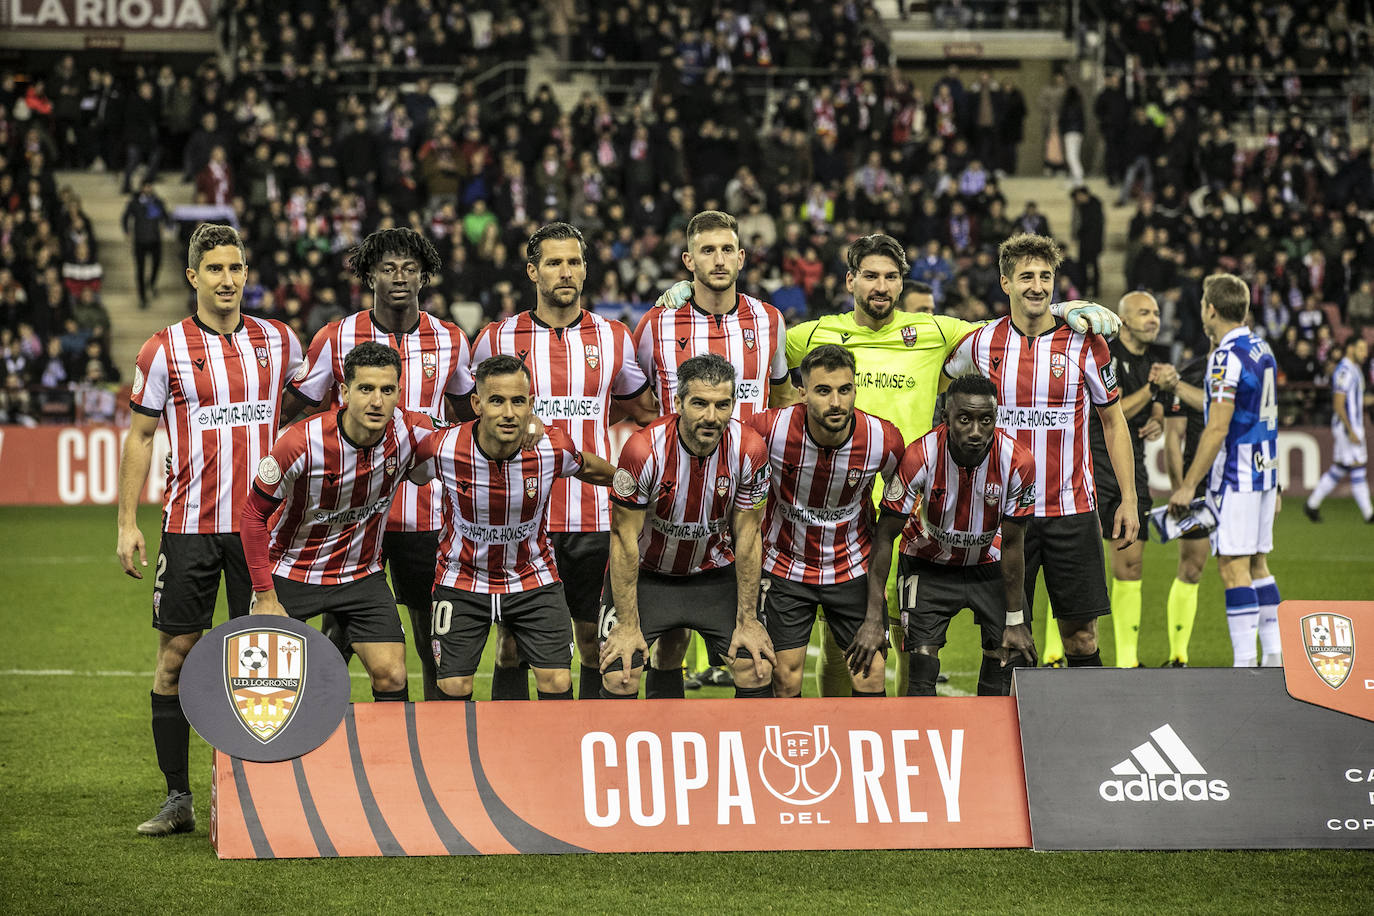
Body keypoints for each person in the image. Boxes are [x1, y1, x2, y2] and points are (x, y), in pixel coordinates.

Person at [785, 233, 1122, 692]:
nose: (880, 286)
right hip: (843, 508)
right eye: (870, 276)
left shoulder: (937, 332)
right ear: (851, 281)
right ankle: (848, 738)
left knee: (908, 637)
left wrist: (1066, 309)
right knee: (846, 639)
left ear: (902, 284)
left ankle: (910, 733)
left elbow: (1021, 319)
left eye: (890, 277)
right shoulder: (810, 335)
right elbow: (759, 358)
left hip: (917, 508)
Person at [116, 223, 302, 836]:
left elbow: (317, 414)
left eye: (236, 268)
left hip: (262, 531)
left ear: (246, 273)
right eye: (215, 269)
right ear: (193, 276)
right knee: (175, 656)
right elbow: (141, 437)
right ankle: (178, 799)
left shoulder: (278, 342)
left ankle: (261, 797)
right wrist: (128, 523)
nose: (227, 280)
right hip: (189, 528)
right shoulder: (162, 349)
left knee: (262, 665)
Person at [281, 228, 473, 701]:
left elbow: (469, 421)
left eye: (410, 268)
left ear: (425, 276)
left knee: (433, 641)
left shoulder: (450, 339)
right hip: (350, 517)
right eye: (388, 268)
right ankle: (313, 735)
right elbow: (297, 408)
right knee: (335, 641)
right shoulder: (336, 336)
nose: (399, 278)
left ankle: (434, 743)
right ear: (369, 275)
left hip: (424, 516)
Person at [472, 222, 658, 700]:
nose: (566, 272)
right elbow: (470, 417)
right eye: (554, 262)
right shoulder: (498, 337)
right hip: (519, 520)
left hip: (593, 517)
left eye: (574, 261)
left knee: (595, 644)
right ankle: (507, 750)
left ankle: (586, 754)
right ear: (533, 271)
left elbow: (643, 407)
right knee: (512, 645)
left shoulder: (613, 337)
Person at [945, 233, 1140, 668]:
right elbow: (944, 389)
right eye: (1026, 276)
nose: (1037, 285)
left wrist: (1127, 499)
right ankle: (1010, 735)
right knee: (1005, 640)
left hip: (1072, 512)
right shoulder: (981, 343)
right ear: (1005, 282)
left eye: (1046, 276)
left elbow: (1113, 422)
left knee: (1082, 638)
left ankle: (1085, 734)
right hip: (1003, 518)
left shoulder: (1087, 343)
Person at [633, 210, 793, 696]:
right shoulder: (657, 324)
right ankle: (668, 739)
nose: (718, 260)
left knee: (756, 638)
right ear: (688, 260)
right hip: (676, 493)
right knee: (670, 641)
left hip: (748, 492)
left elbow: (782, 394)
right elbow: (642, 403)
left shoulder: (769, 320)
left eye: (727, 250)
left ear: (742, 258)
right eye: (707, 250)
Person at [240, 342, 436, 704]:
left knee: (392, 674)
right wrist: (265, 595)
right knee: (267, 688)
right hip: (291, 572)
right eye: (366, 389)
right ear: (344, 392)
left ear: (398, 393)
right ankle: (269, 759)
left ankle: (390, 759)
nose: (377, 401)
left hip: (362, 574)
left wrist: (532, 428)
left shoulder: (413, 432)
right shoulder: (300, 443)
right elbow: (252, 516)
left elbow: (470, 440)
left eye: (387, 390)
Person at [416, 355, 616, 700]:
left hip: (532, 576)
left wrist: (632, 485)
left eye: (518, 401)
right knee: (453, 685)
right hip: (461, 577)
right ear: (476, 403)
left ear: (530, 405)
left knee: (557, 681)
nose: (508, 413)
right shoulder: (442, 449)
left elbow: (588, 467)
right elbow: (408, 473)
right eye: (496, 401)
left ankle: (551, 754)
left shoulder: (551, 447)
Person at [599, 353, 775, 699]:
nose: (712, 417)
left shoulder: (750, 449)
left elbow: (749, 536)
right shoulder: (642, 450)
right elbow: (623, 540)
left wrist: (748, 620)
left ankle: (747, 753)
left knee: (756, 667)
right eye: (700, 404)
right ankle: (635, 752)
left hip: (713, 573)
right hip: (648, 574)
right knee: (620, 672)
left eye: (722, 405)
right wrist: (628, 625)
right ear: (678, 402)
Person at [866, 373, 1040, 695]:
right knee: (921, 662)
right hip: (926, 562)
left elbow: (1015, 542)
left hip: (989, 563)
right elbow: (885, 535)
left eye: (985, 420)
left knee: (1009, 656)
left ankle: (992, 740)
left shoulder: (1018, 462)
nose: (976, 431)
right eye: (964, 419)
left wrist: (1015, 619)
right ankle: (925, 742)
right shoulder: (921, 456)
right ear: (945, 417)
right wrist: (873, 613)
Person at [746, 344, 904, 698]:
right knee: (784, 679)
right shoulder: (767, 430)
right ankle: (789, 751)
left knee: (872, 673)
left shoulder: (883, 440)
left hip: (852, 567)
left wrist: (876, 615)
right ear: (801, 392)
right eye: (823, 390)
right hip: (784, 567)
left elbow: (891, 524)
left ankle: (866, 753)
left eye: (845, 390)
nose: (836, 402)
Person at [1168, 274, 1283, 668]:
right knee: (1258, 564)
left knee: (1233, 567)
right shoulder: (1261, 347)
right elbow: (1257, 415)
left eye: (1202, 303)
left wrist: (1188, 485)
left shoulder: (1224, 357)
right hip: (1265, 471)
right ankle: (1274, 657)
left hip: (1237, 475)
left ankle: (1244, 666)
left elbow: (1218, 426)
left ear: (1210, 309)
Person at [1083, 291, 1172, 668]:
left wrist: (1158, 416)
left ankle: (1128, 662)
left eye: (1155, 312)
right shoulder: (1105, 351)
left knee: (1131, 564)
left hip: (1131, 469)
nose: (1153, 318)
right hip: (1091, 464)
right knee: (1081, 568)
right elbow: (1115, 411)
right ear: (1123, 318)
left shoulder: (1153, 360)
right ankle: (1056, 653)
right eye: (1144, 312)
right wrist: (1153, 390)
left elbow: (1150, 410)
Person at [1160, 352, 1210, 666]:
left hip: (1242, 483)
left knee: (1247, 569)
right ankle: (1179, 656)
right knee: (1191, 567)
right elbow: (1174, 435)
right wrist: (1181, 488)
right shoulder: (1192, 372)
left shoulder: (1255, 364)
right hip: (1199, 485)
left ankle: (1257, 659)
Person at [1305, 337, 1372, 523]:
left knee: (1340, 468)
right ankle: (1369, 514)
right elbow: (1338, 403)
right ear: (1350, 349)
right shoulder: (1344, 371)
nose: (1365, 353)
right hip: (1347, 426)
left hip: (1351, 425)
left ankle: (1311, 504)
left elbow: (1355, 401)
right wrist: (1350, 429)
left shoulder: (1354, 369)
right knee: (1358, 466)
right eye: (1361, 348)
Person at [121, 181, 170, 309]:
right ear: (142, 188)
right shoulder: (135, 202)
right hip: (140, 241)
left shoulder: (157, 202)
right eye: (146, 186)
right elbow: (125, 217)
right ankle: (142, 297)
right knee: (140, 270)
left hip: (155, 240)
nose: (149, 188)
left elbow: (166, 216)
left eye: (150, 186)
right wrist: (127, 231)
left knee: (157, 264)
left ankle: (152, 283)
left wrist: (167, 225)